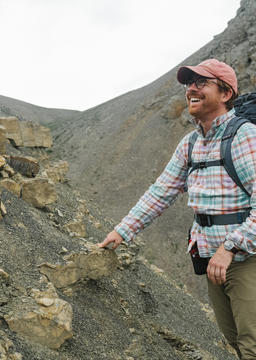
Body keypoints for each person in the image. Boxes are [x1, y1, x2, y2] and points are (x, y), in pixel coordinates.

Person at [97, 59, 256, 359]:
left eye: (201, 83)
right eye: (189, 83)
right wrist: (122, 231)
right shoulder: (190, 144)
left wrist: (231, 247)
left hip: (246, 258)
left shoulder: (245, 136)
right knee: (235, 342)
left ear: (225, 94)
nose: (191, 89)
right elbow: (161, 192)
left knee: (252, 346)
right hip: (212, 261)